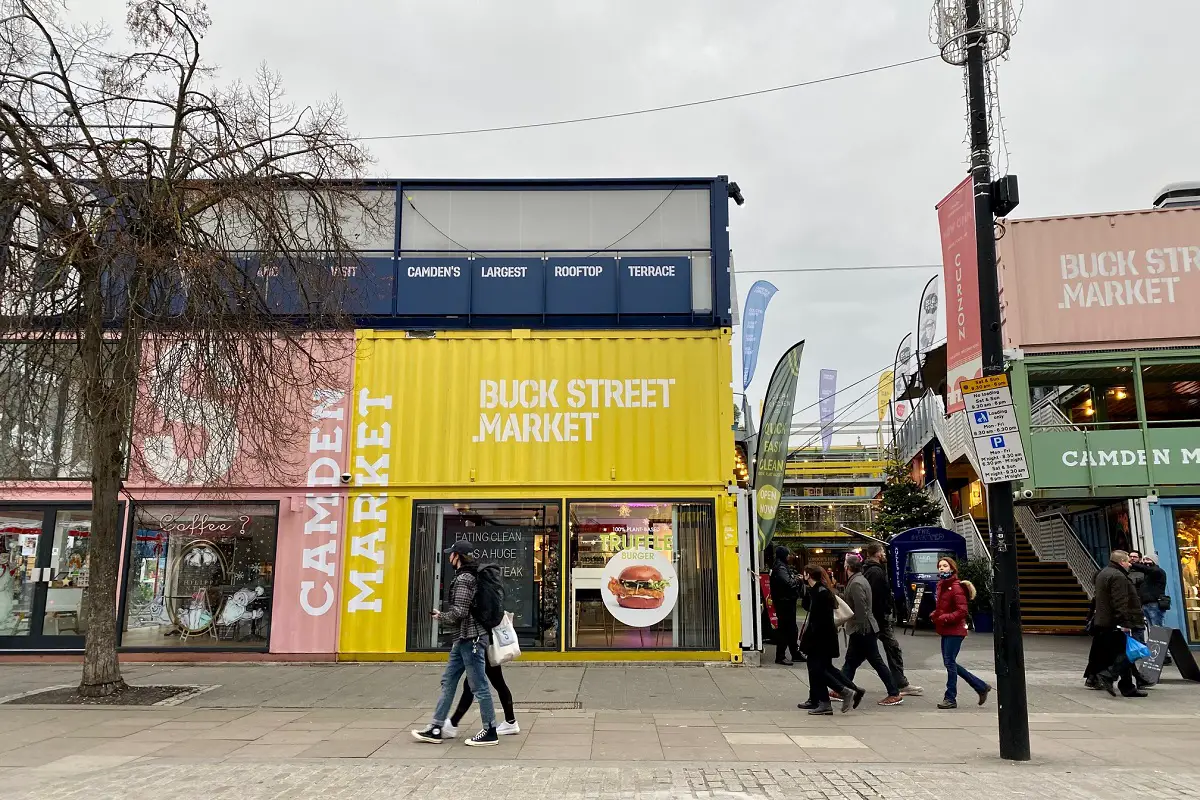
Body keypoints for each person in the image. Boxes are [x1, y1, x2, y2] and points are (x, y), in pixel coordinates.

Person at [412, 540, 500, 746]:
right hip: (462, 639)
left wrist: (440, 616)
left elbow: (460, 612)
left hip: (472, 640)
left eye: (451, 554)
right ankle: (436, 727)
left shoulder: (464, 579)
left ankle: (490, 730)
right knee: (448, 681)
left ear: (457, 556)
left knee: (479, 687)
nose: (449, 557)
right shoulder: (468, 577)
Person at [797, 565, 864, 715]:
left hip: (820, 640)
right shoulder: (818, 591)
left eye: (804, 574)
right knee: (823, 668)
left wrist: (812, 641)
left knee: (817, 670)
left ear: (808, 575)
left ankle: (837, 695)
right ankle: (845, 692)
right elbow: (807, 606)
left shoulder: (821, 593)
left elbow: (820, 621)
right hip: (822, 638)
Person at [839, 554, 904, 706]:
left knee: (876, 662)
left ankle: (894, 693)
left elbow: (861, 607)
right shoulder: (859, 579)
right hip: (864, 628)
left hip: (863, 629)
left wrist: (860, 627)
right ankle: (841, 688)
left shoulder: (856, 582)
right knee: (851, 661)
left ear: (848, 567)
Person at [931, 557, 992, 710]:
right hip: (946, 628)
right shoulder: (941, 585)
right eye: (940, 566)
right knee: (949, 662)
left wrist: (943, 617)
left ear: (952, 568)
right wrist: (935, 614)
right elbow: (943, 607)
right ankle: (981, 686)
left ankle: (950, 698)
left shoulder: (956, 587)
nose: (942, 568)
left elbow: (962, 611)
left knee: (949, 662)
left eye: (945, 566)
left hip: (955, 630)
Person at [862, 544, 922, 697]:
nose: (884, 554)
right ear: (876, 554)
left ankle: (841, 687)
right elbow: (876, 597)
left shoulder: (872, 569)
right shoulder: (875, 571)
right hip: (878, 618)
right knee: (892, 648)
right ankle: (900, 683)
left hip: (875, 618)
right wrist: (883, 613)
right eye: (882, 551)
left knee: (858, 654)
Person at [1084, 550, 1146, 698]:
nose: (1130, 564)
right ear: (1121, 562)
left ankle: (1127, 686)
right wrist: (1124, 622)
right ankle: (1110, 675)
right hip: (1116, 622)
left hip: (1105, 621)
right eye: (1127, 561)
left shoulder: (1103, 573)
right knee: (1132, 651)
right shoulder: (1118, 576)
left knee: (1122, 652)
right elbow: (1120, 601)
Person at [446, 661, 519, 737]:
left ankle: (453, 723)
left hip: (481, 654)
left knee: (470, 686)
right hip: (487, 654)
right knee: (499, 683)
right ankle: (511, 721)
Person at [770, 545, 804, 666]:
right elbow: (788, 583)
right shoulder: (780, 567)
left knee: (791, 629)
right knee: (785, 629)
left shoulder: (781, 566)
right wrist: (798, 580)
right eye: (788, 554)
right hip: (784, 602)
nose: (790, 556)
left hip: (786, 601)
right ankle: (781, 656)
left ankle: (794, 653)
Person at [1134, 553, 1169, 629]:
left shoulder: (1157, 571)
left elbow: (1147, 569)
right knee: (1152, 628)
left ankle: (1160, 640)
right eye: (1144, 560)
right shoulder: (1147, 574)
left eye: (1148, 559)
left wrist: (1132, 564)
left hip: (1154, 603)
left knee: (1157, 628)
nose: (1145, 562)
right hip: (1146, 604)